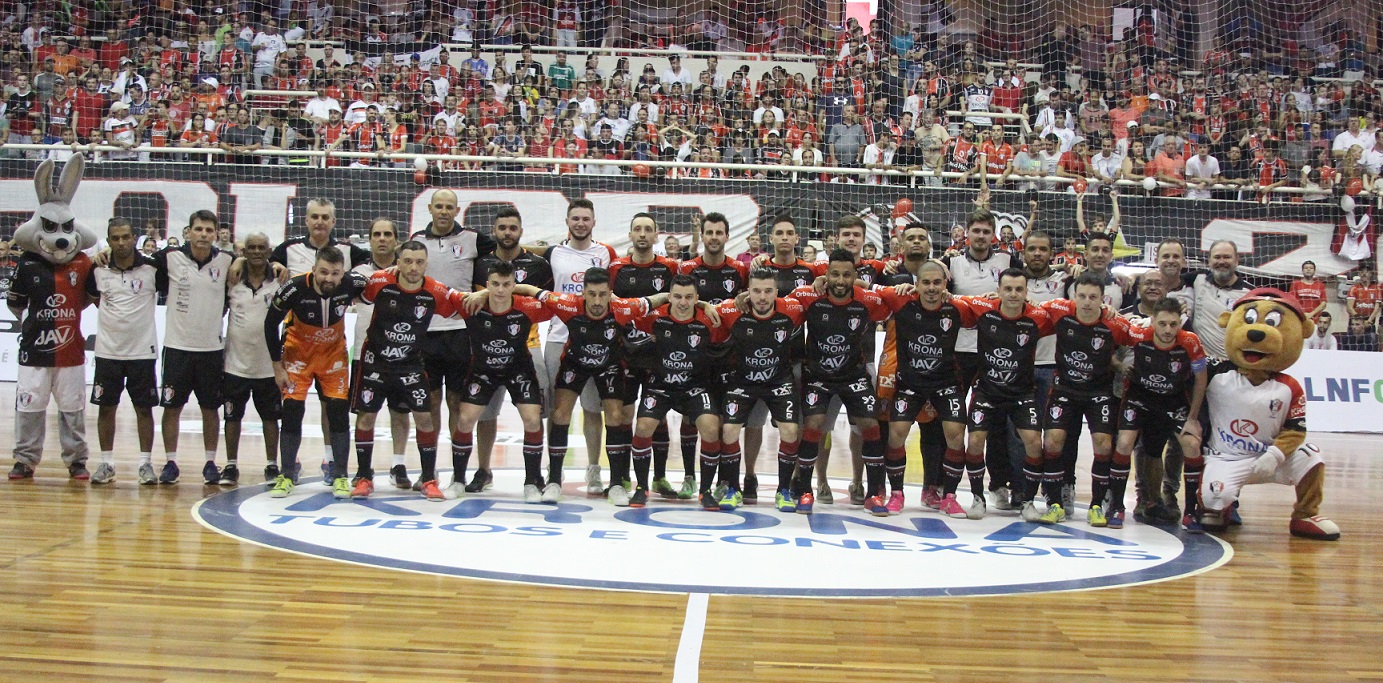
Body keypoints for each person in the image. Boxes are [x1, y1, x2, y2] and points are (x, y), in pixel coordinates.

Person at [532, 268, 668, 505]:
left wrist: (675, 297)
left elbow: (654, 300)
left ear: (610, 294)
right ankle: (554, 481)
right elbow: (533, 291)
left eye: (602, 294)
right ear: (583, 292)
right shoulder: (567, 304)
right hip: (575, 363)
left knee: (615, 415)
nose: (596, 301)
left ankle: (615, 484)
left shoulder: (623, 309)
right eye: (591, 294)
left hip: (609, 365)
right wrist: (484, 295)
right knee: (560, 413)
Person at [348, 241, 469, 501]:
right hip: (375, 361)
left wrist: (481, 298)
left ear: (426, 264)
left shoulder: (435, 291)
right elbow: (358, 295)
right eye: (408, 261)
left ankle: (428, 479)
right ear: (398, 262)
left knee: (424, 418)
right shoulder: (379, 281)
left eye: (419, 262)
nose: (413, 267)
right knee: (366, 418)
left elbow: (461, 309)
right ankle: (364, 476)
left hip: (411, 364)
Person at [789, 250, 892, 514]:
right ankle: (804, 490)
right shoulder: (808, 297)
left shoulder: (867, 301)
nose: (840, 279)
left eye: (847, 274)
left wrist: (872, 285)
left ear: (854, 277)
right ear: (826, 275)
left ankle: (874, 493)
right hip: (818, 377)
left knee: (871, 424)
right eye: (835, 273)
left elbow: (896, 304)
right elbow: (778, 305)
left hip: (853, 376)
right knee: (813, 424)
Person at [410, 189, 497, 499]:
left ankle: (458, 473)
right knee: (429, 403)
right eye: (439, 207)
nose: (444, 212)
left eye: (449, 207)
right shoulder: (417, 240)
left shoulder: (474, 239)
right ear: (431, 209)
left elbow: (507, 253)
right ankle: (429, 470)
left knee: (457, 406)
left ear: (457, 210)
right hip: (425, 332)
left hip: (461, 332)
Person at [876, 258, 978, 516]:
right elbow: (862, 286)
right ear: (916, 284)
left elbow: (991, 307)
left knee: (955, 435)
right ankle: (897, 494)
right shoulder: (899, 299)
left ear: (945, 284)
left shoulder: (958, 307)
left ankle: (950, 496)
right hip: (911, 384)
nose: (931, 288)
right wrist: (821, 281)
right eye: (926, 282)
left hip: (946, 383)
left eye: (937, 282)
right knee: (896, 433)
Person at [263, 248, 367, 499]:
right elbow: (269, 324)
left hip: (333, 357)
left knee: (338, 416)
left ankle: (340, 476)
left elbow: (381, 281)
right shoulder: (294, 288)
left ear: (343, 273)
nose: (328, 278)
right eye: (323, 272)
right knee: (292, 413)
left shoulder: (353, 284)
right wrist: (278, 368)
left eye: (335, 273)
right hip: (298, 356)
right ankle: (286, 475)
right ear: (314, 269)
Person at [1039, 273, 1139, 527]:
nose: (1086, 302)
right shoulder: (1059, 311)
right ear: (1074, 297)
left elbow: (1141, 335)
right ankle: (1054, 503)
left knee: (1104, 445)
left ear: (1102, 299)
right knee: (1052, 441)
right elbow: (1026, 305)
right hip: (1065, 389)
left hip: (1098, 392)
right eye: (1081, 296)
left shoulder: (1114, 324)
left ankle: (1097, 504)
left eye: (1093, 297)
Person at [534, 199, 618, 496]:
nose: (580, 223)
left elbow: (614, 296)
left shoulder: (605, 253)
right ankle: (552, 470)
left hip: (596, 340)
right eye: (575, 218)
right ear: (567, 222)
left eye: (586, 218)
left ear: (594, 222)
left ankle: (594, 469)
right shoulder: (553, 254)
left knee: (593, 409)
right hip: (558, 338)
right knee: (559, 410)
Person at [627, 274, 729, 509]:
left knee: (711, 427)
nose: (683, 302)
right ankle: (642, 487)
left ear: (697, 298)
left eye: (689, 297)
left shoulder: (709, 320)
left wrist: (705, 306)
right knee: (643, 426)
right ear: (669, 297)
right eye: (678, 297)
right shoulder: (654, 317)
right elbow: (625, 315)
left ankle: (705, 491)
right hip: (660, 385)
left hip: (694, 387)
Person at [469, 208, 554, 491]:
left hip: (528, 346)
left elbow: (547, 301)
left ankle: (537, 474)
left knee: (537, 413)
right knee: (485, 413)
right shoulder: (480, 264)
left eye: (513, 227)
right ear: (494, 231)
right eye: (502, 227)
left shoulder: (539, 265)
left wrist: (521, 290)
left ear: (521, 231)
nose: (507, 232)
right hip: (488, 347)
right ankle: (483, 470)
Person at [942, 208, 1020, 508]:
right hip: (960, 348)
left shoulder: (1008, 261)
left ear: (993, 235)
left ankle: (998, 484)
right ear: (967, 234)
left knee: (996, 421)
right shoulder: (951, 262)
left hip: (997, 350)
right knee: (949, 419)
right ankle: (941, 485)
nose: (981, 236)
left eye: (987, 231)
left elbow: (1023, 292)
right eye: (976, 231)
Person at [151, 210, 235, 485]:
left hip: (211, 349)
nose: (203, 235)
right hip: (177, 347)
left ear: (216, 234)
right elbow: (135, 262)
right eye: (198, 229)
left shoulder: (228, 261)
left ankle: (210, 462)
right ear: (188, 232)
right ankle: (170, 462)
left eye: (209, 230)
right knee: (171, 407)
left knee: (210, 408)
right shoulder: (168, 257)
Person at [718, 268, 807, 512]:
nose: (762, 297)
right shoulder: (731, 310)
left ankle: (784, 490)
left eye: (768, 291)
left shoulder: (792, 309)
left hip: (779, 380)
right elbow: (703, 309)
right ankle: (733, 489)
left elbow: (816, 295)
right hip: (743, 381)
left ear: (776, 293)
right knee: (729, 430)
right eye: (756, 291)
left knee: (790, 429)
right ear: (748, 292)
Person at [1117, 297, 1209, 531]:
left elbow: (1201, 378)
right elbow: (1107, 342)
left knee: (1191, 445)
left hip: (1174, 403)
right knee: (1126, 444)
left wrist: (1192, 418)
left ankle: (1191, 512)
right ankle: (1123, 506)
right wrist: (1118, 366)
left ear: (1180, 323)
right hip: (1141, 400)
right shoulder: (1137, 335)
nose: (1168, 330)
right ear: (1153, 322)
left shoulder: (1190, 341)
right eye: (1163, 324)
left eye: (1173, 324)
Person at [610, 215, 684, 497]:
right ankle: (623, 477)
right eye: (637, 229)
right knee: (625, 415)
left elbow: (679, 302)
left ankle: (660, 477)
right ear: (630, 235)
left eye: (648, 230)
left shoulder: (669, 267)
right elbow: (611, 307)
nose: (643, 234)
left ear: (656, 236)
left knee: (658, 416)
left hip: (659, 355)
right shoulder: (617, 268)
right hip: (626, 354)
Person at [84, 218, 158, 484]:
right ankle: (106, 463)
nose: (121, 243)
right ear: (109, 240)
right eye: (115, 238)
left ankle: (145, 464)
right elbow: (91, 299)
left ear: (135, 236)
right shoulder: (98, 270)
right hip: (108, 352)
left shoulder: (153, 268)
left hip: (142, 353)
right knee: (106, 409)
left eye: (126, 237)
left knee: (144, 410)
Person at [348, 218, 412, 489]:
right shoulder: (357, 272)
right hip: (366, 354)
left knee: (400, 412)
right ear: (370, 239)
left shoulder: (408, 271)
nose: (382, 239)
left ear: (396, 240)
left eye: (388, 234)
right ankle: (364, 470)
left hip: (402, 355)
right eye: (377, 234)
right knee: (366, 413)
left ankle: (398, 465)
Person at [222, 233, 281, 485]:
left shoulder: (280, 280)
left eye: (261, 248)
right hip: (235, 364)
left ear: (269, 251)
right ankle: (231, 465)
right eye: (251, 248)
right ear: (243, 251)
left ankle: (271, 465)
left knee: (270, 418)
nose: (256, 252)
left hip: (267, 366)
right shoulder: (232, 278)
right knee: (232, 417)